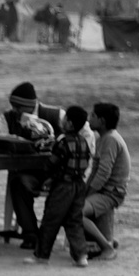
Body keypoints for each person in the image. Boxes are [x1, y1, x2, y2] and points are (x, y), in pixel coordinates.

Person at [30, 105, 92, 267]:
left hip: (63, 186)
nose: (62, 121)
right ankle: (81, 256)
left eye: (65, 120)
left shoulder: (63, 141)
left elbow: (52, 164)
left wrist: (45, 177)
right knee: (74, 221)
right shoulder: (84, 141)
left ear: (70, 124)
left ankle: (41, 255)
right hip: (79, 185)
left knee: (51, 219)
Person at [5, 81, 63, 248]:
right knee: (18, 183)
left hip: (56, 173)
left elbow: (85, 135)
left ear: (29, 106)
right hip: (30, 172)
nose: (15, 110)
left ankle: (48, 236)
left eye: (18, 107)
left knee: (64, 191)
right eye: (13, 106)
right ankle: (31, 234)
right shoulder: (9, 118)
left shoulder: (55, 115)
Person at [82, 101, 129, 261]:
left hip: (111, 193)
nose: (89, 118)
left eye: (93, 115)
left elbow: (103, 173)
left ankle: (107, 248)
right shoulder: (103, 138)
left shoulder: (110, 140)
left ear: (102, 121)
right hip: (104, 190)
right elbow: (95, 170)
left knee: (76, 213)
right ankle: (105, 238)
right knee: (77, 204)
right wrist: (85, 191)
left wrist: (89, 193)